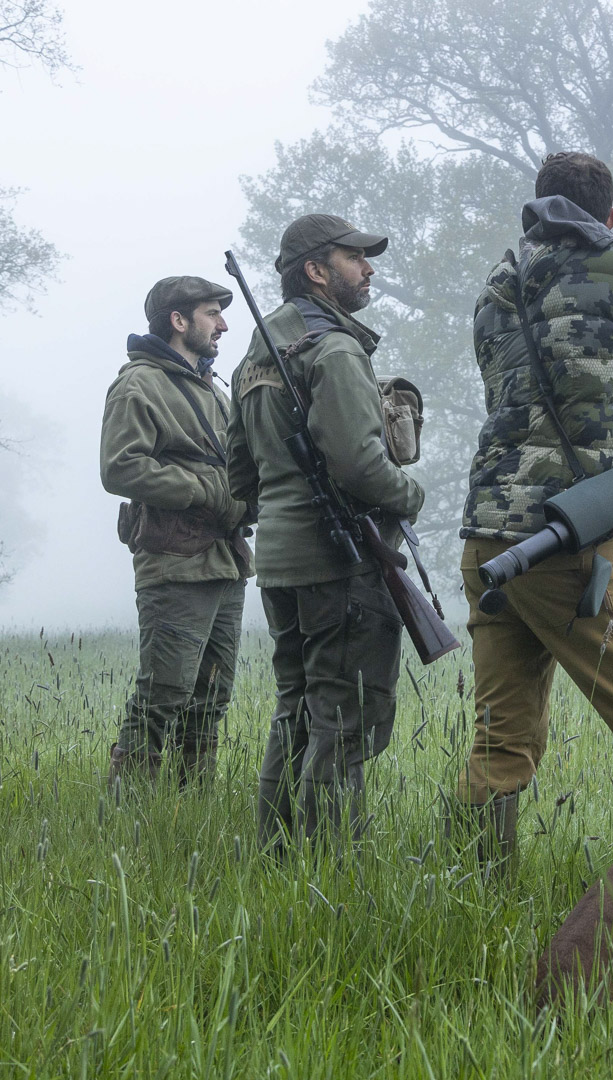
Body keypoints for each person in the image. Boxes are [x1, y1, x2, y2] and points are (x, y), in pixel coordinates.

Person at [458, 151, 613, 875]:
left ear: (537, 208)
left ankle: (476, 896)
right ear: (607, 216)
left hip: (487, 538)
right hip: (567, 537)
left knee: (499, 745)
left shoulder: (497, 286)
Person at [227, 214, 425, 850]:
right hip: (341, 561)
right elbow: (359, 463)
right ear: (316, 270)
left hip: (281, 561)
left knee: (297, 709)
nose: (368, 269)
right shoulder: (334, 349)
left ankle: (276, 854)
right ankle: (329, 870)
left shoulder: (256, 353)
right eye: (354, 258)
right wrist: (411, 495)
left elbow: (239, 474)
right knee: (345, 720)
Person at [100, 275, 252, 784]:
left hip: (225, 560)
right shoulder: (138, 383)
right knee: (163, 694)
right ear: (178, 320)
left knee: (211, 697)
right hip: (174, 561)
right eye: (212, 313)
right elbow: (120, 468)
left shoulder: (212, 389)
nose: (223, 324)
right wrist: (207, 490)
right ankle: (129, 813)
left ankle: (192, 809)